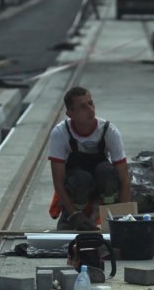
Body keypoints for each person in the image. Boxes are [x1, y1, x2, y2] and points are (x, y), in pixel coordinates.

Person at [48, 86, 131, 230]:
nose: (91, 110)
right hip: (78, 184)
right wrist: (74, 215)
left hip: (102, 183)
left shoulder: (109, 131)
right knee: (81, 179)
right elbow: (59, 183)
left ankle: (107, 217)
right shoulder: (60, 133)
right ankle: (72, 217)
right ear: (70, 114)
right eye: (82, 107)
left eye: (90, 103)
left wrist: (123, 219)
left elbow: (124, 179)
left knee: (107, 172)